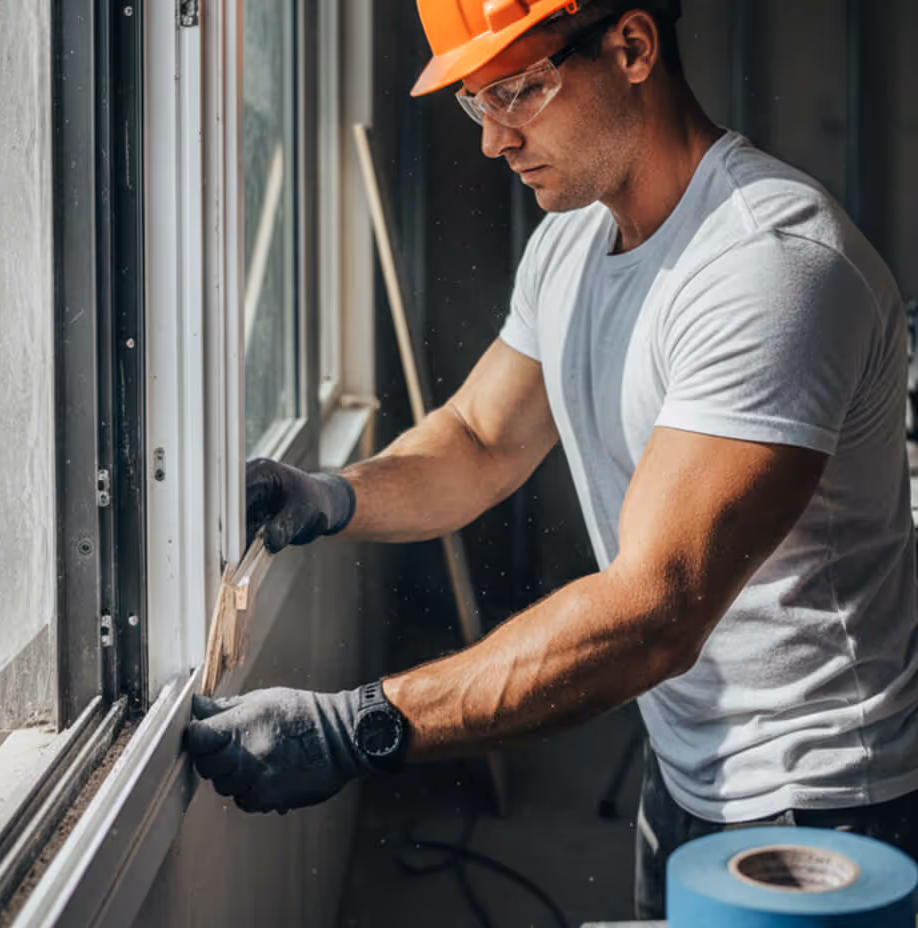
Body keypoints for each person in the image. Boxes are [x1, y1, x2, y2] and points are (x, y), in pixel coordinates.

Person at [184, 0, 918, 918]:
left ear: (634, 46)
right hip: (686, 769)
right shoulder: (570, 241)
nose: (495, 141)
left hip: (825, 802)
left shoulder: (770, 266)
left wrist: (356, 727)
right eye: (477, 102)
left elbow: (654, 610)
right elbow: (481, 441)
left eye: (519, 91)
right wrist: (331, 496)